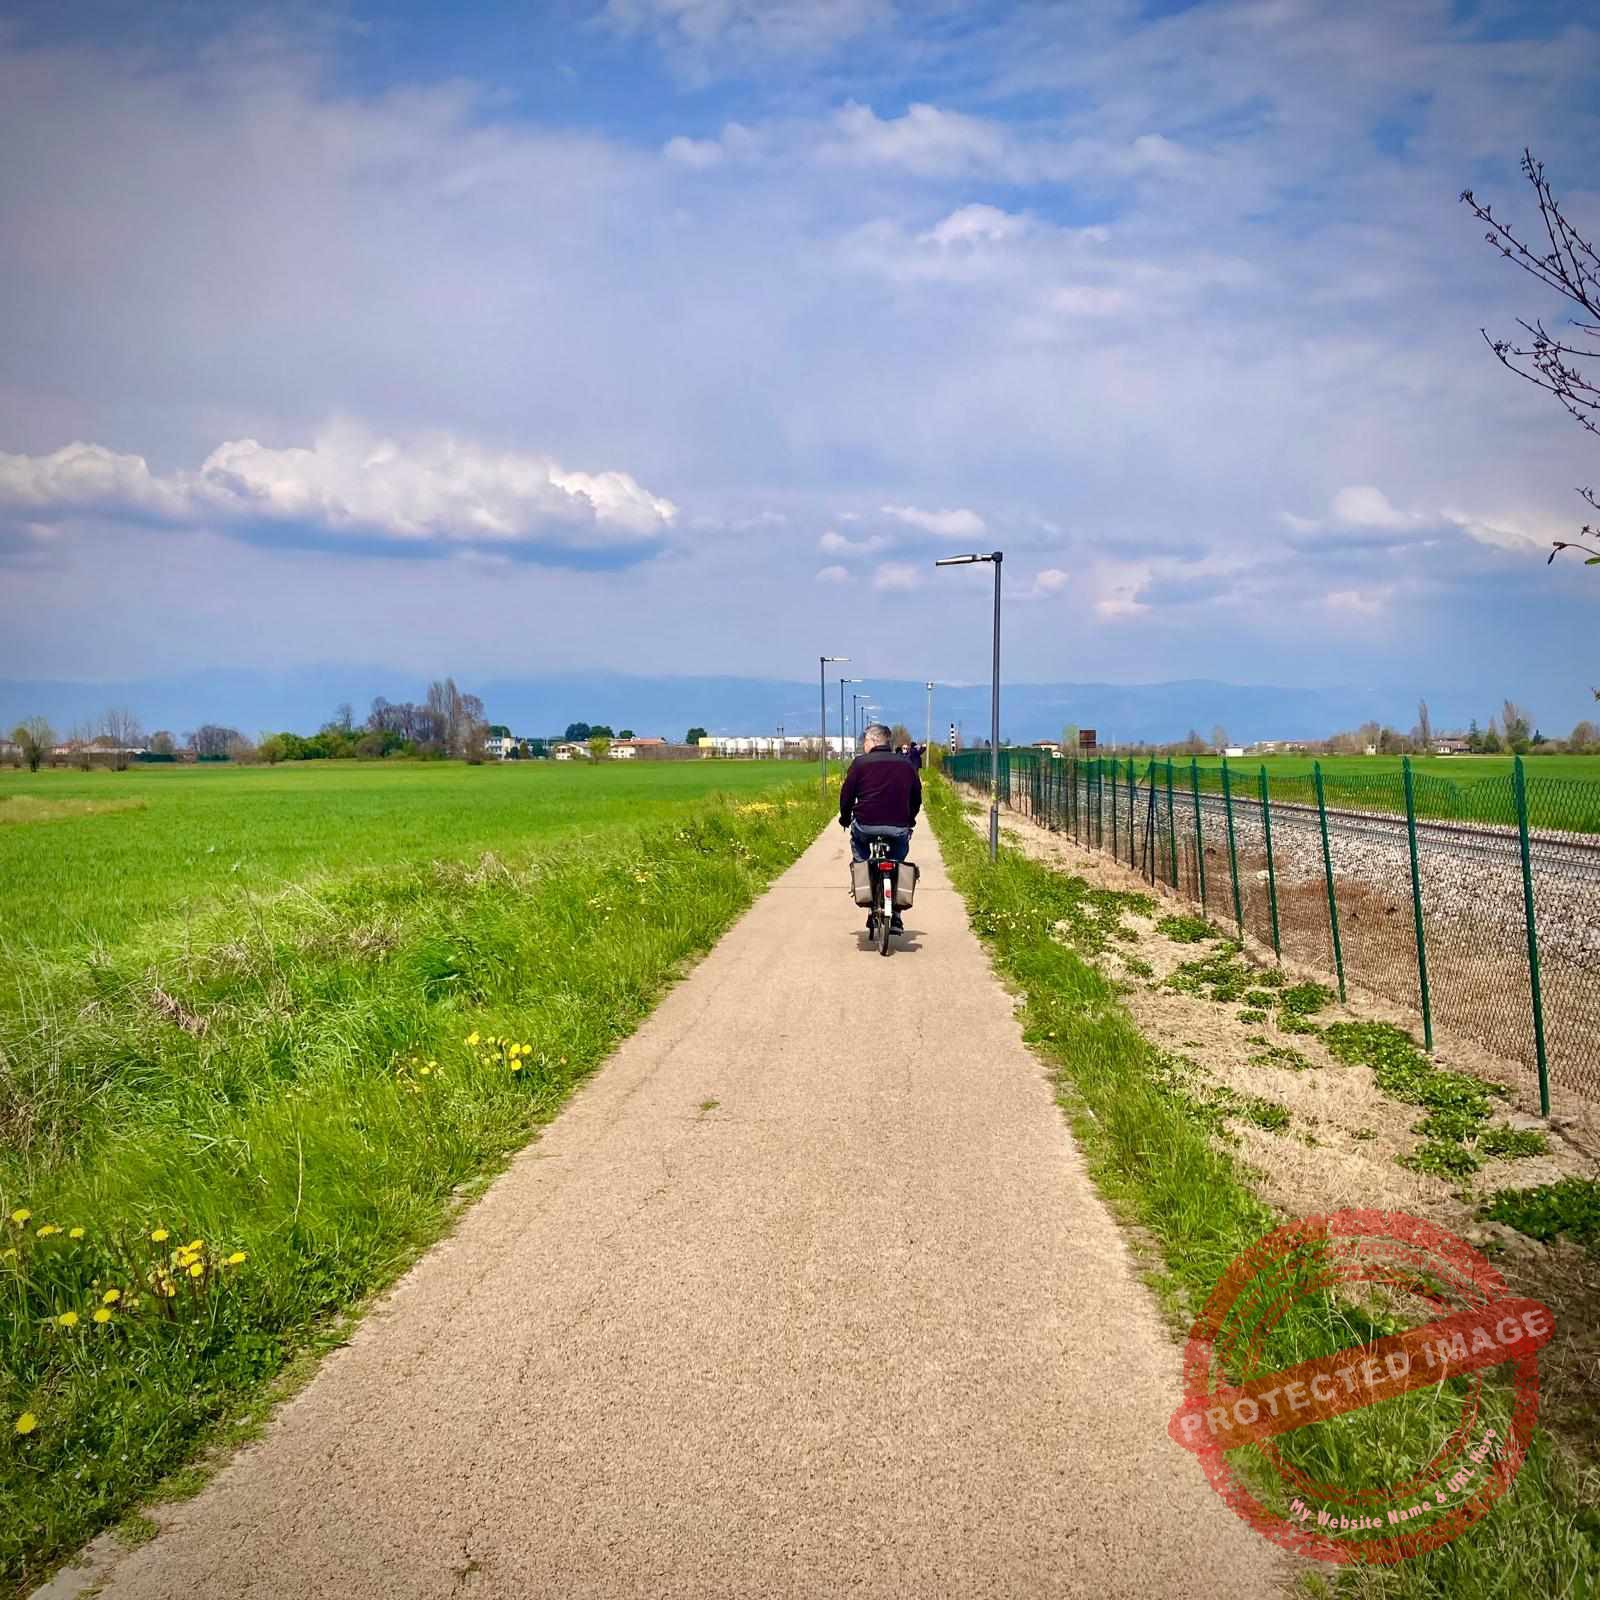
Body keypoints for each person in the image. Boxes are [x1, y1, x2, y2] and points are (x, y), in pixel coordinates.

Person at [838, 724, 921, 932]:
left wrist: (845, 818)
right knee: (898, 857)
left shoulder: (860, 764)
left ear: (873, 741)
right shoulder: (906, 764)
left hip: (866, 825)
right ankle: (896, 914)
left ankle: (862, 880)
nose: (863, 745)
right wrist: (909, 820)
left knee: (860, 849)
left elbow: (846, 795)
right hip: (898, 826)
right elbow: (916, 797)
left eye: (864, 741)